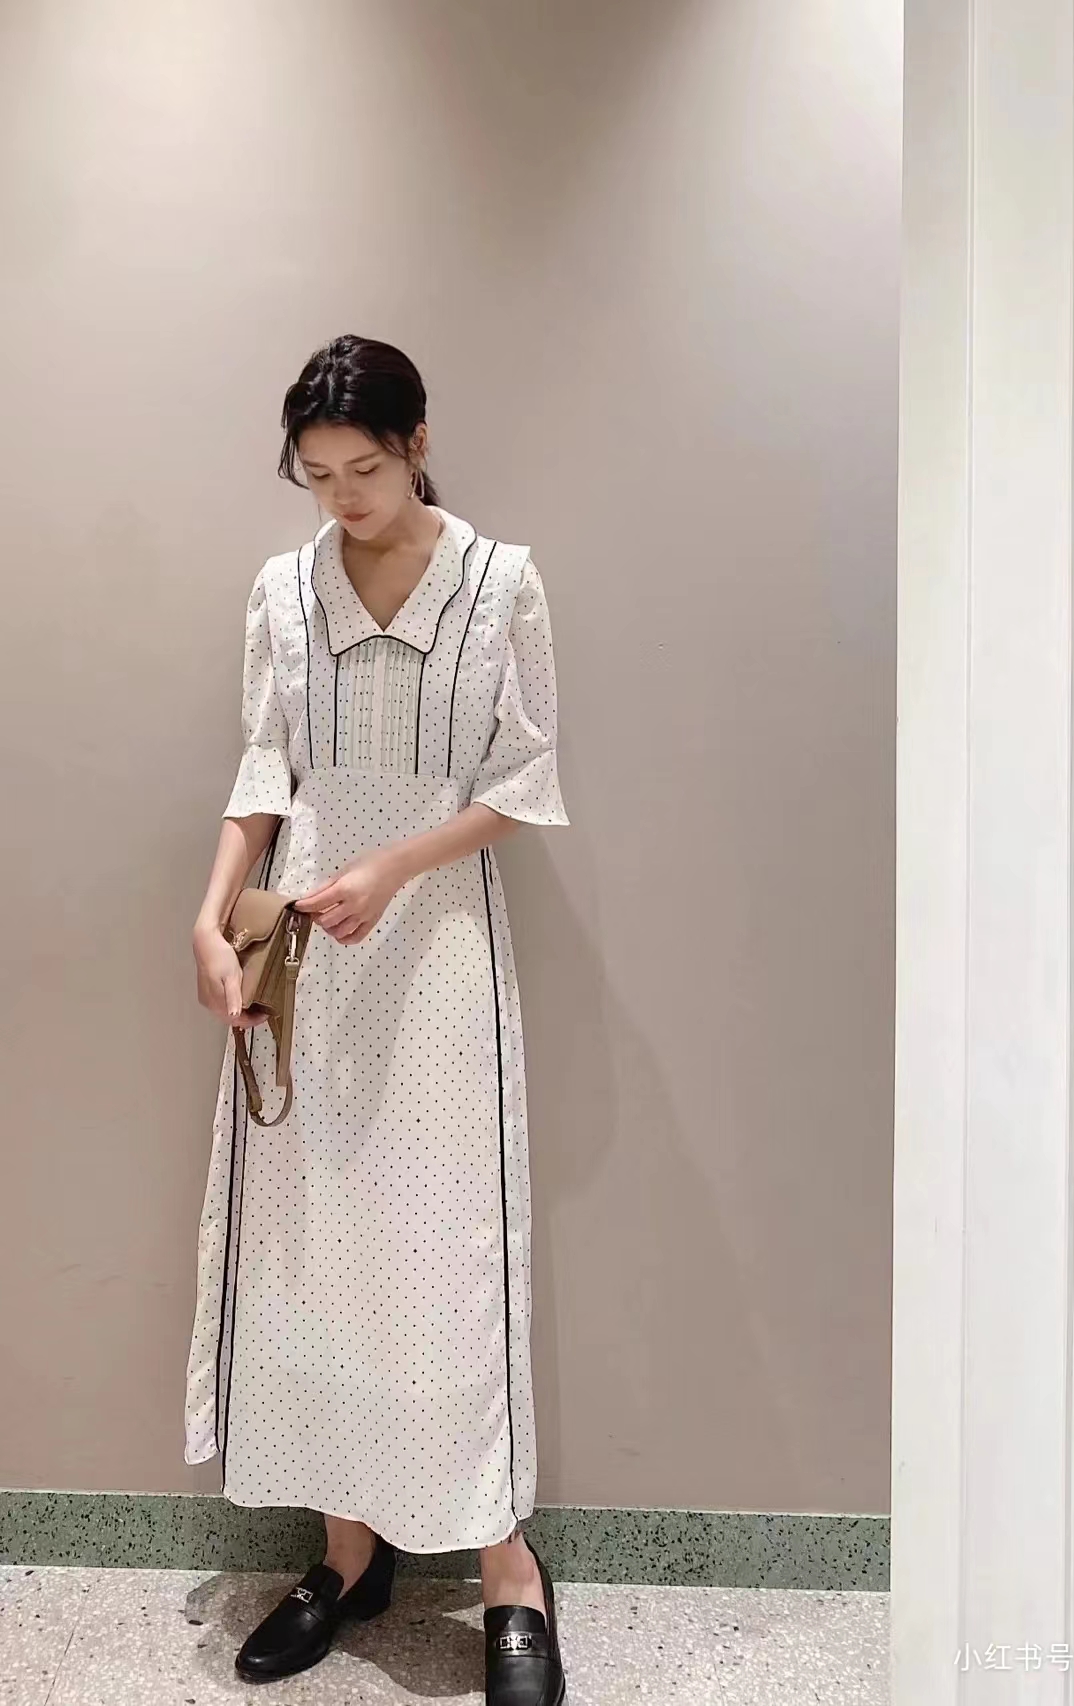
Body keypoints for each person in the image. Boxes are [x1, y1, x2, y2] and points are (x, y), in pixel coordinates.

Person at [182, 334, 569, 1703]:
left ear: (417, 444)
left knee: (453, 1253)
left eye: (366, 468)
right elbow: (265, 767)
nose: (344, 497)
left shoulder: (501, 582)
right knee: (313, 1251)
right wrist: (212, 912)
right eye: (318, 474)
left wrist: (395, 865)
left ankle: (509, 1570)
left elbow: (523, 777)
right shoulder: (282, 590)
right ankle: (348, 1555)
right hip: (307, 950)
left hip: (438, 946)